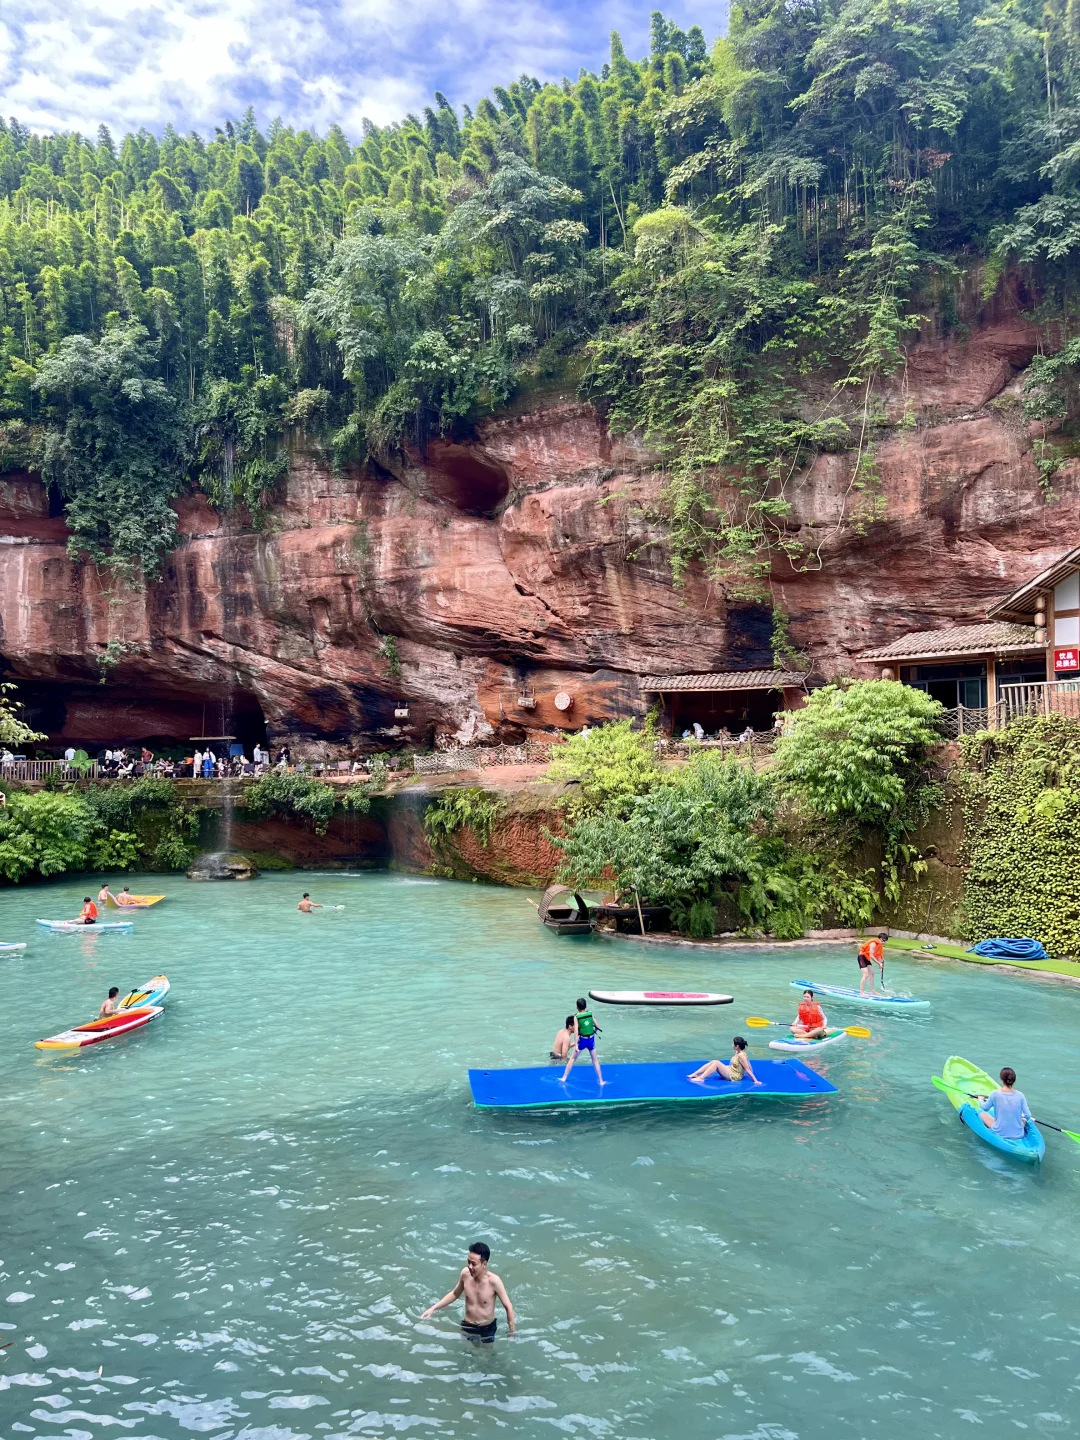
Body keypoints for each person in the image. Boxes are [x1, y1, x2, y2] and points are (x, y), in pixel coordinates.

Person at [421, 1241, 516, 1343]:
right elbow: (454, 1293)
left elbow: (508, 1306)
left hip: (486, 1327)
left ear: (484, 1264)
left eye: (474, 1264)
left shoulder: (494, 1281)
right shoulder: (465, 1274)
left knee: (486, 1355)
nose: (470, 1266)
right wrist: (433, 1308)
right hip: (467, 1325)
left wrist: (512, 1331)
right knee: (467, 1353)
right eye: (468, 1262)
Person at [977, 1067, 1034, 1140]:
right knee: (1023, 1120)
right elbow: (1028, 1115)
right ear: (1014, 1080)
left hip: (1000, 1133)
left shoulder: (995, 1094)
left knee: (982, 1114)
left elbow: (985, 1108)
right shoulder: (1020, 1095)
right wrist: (1022, 1117)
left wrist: (980, 1100)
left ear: (1001, 1080)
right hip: (1019, 1134)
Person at [561, 997, 604, 1085]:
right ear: (586, 1006)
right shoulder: (590, 1013)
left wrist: (576, 1044)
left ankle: (564, 1078)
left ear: (577, 1007)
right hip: (591, 1040)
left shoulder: (576, 1017)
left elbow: (576, 1031)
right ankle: (601, 1081)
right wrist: (594, 1032)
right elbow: (597, 1026)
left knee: (572, 1059)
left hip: (582, 1041)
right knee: (595, 1061)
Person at [688, 1036, 761, 1085]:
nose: (732, 1045)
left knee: (716, 1063)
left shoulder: (742, 1056)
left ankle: (701, 1078)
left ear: (737, 1046)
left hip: (734, 1076)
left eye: (733, 1043)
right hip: (731, 1070)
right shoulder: (738, 1052)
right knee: (714, 1061)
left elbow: (748, 1069)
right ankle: (695, 1073)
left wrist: (755, 1081)